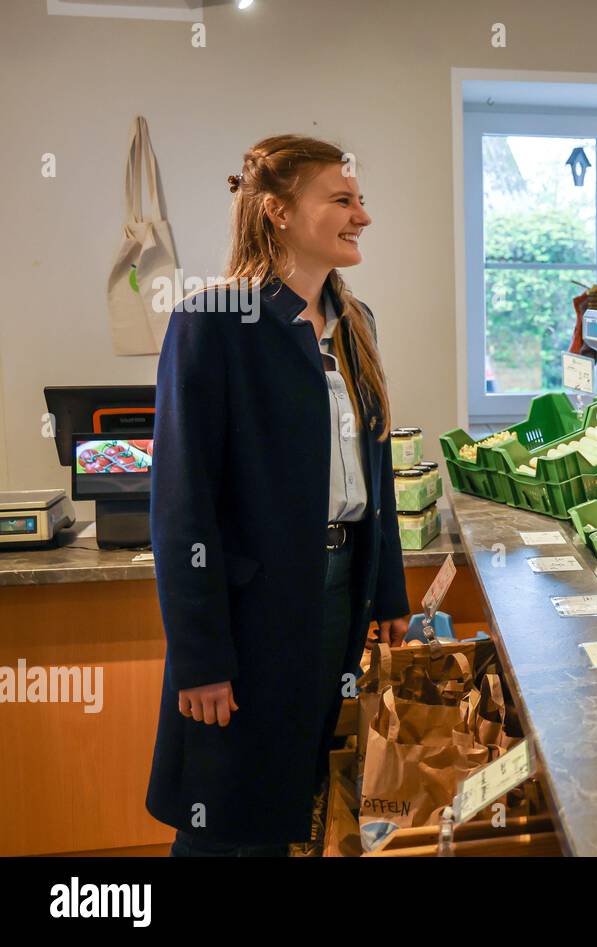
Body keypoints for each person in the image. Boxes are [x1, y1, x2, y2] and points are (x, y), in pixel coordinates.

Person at [147, 135, 411, 856]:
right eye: (343, 200)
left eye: (361, 200)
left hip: (341, 590)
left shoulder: (356, 323)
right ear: (278, 211)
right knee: (228, 811)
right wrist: (201, 658)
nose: (363, 215)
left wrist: (388, 595)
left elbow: (375, 476)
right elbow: (181, 504)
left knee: (308, 796)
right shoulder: (213, 321)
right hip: (252, 607)